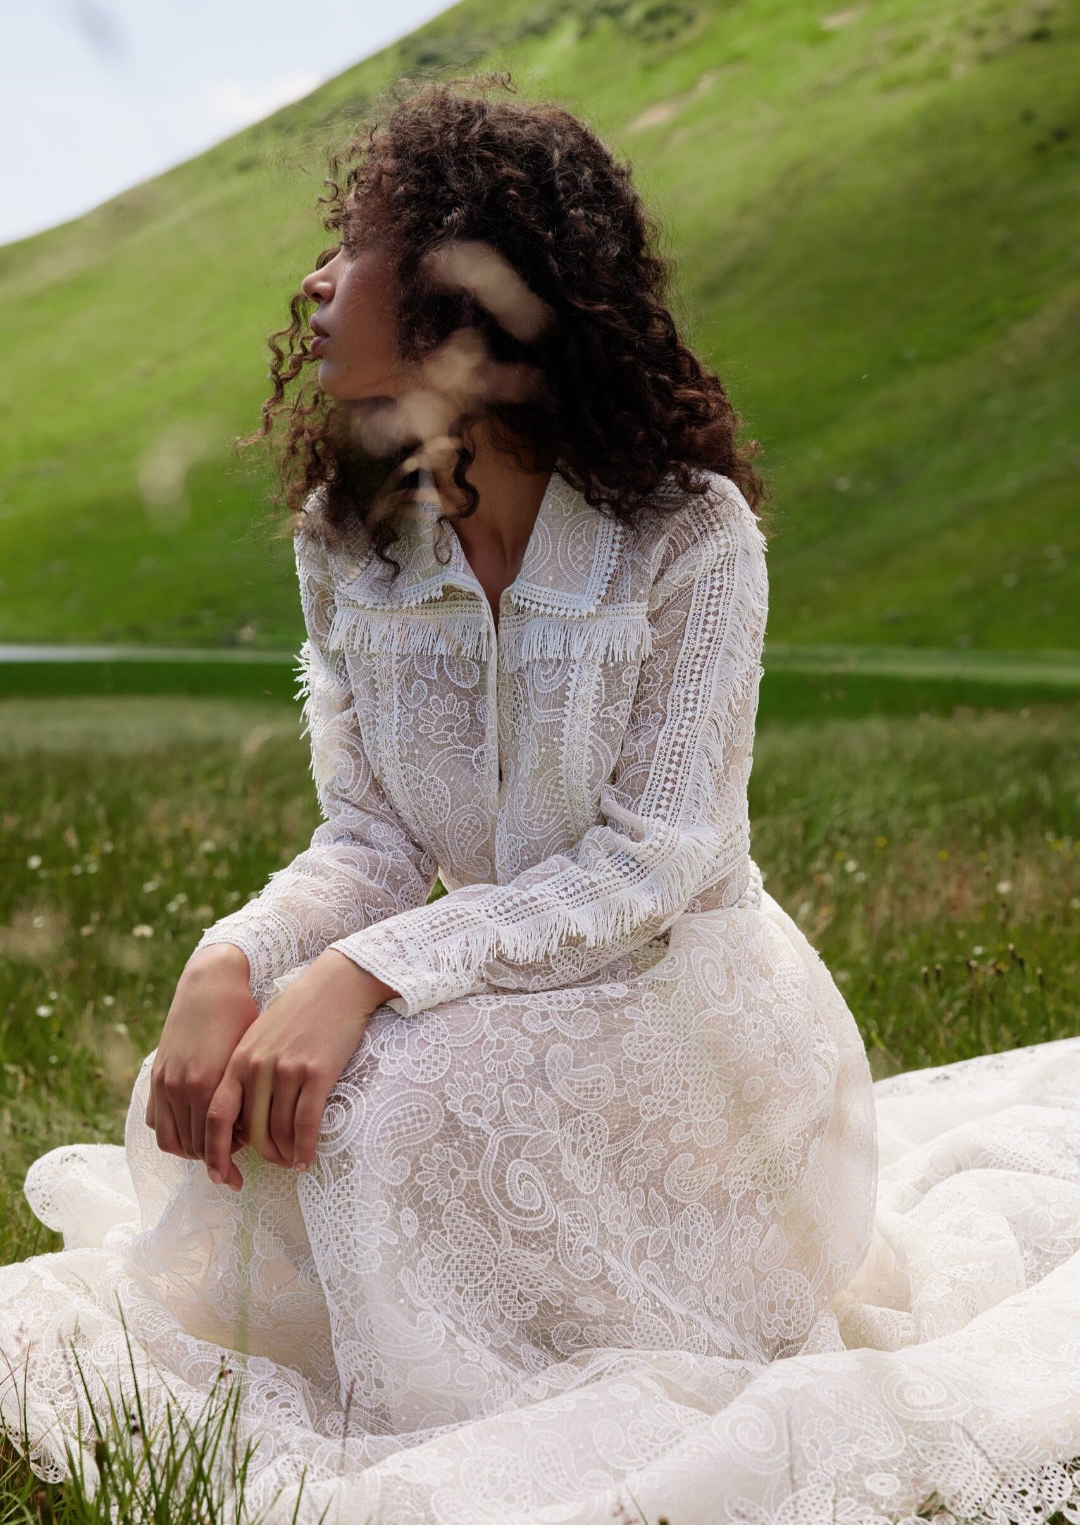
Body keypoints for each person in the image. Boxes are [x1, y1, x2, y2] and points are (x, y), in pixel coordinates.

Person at [2, 74, 1079, 1525]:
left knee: (370, 1106)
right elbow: (372, 842)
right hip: (501, 990)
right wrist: (237, 960)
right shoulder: (351, 535)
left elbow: (653, 866)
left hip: (691, 1009)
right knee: (225, 1083)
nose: (316, 281)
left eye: (361, 243)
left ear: (463, 288)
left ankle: (484, 1417)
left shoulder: (688, 532)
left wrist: (368, 976)